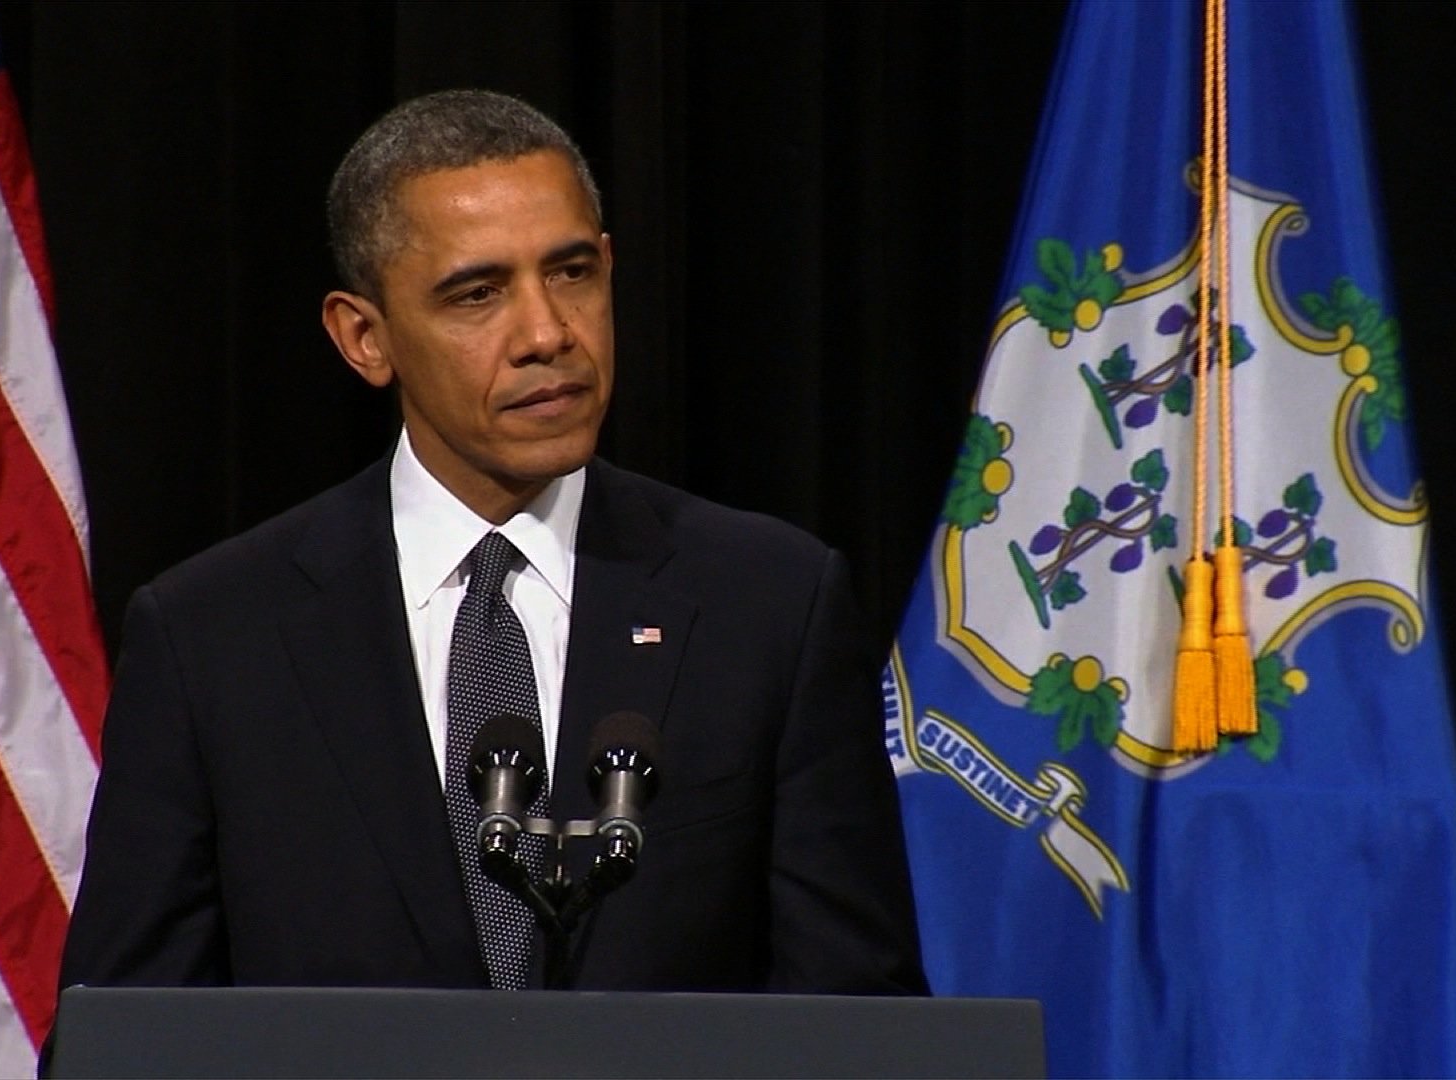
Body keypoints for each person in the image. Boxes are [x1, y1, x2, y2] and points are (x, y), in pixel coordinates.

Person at [56, 89, 927, 999]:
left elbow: (862, 1017)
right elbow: (126, 1037)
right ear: (365, 338)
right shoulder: (212, 636)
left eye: (572, 273)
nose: (547, 334)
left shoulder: (771, 604)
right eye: (477, 294)